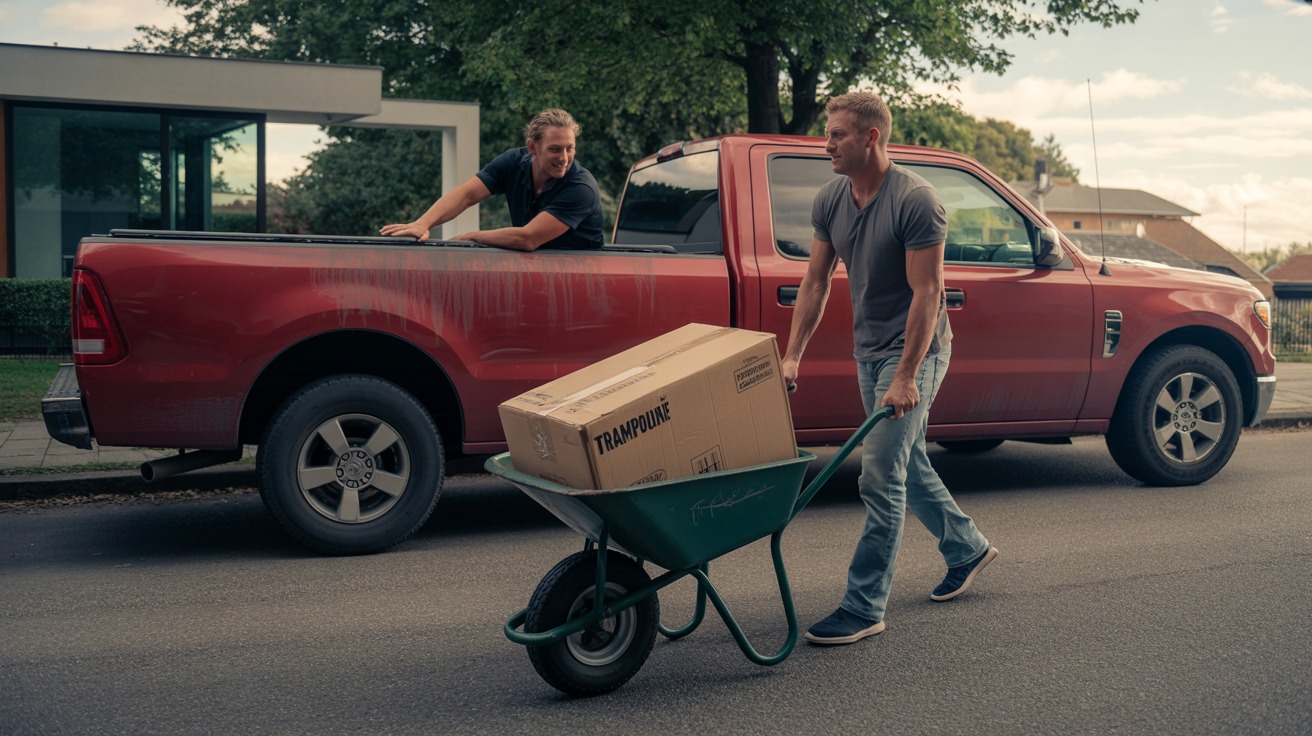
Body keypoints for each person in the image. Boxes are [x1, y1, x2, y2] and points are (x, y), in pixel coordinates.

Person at [782, 91, 998, 646]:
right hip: (869, 350)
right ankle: (966, 546)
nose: (825, 144)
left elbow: (929, 293)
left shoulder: (916, 201)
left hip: (916, 353)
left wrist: (906, 376)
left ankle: (864, 605)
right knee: (905, 460)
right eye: (827, 133)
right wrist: (792, 353)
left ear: (871, 137)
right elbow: (815, 281)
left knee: (880, 474)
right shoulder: (831, 199)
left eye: (837, 135)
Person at [380, 108, 604, 251]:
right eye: (555, 149)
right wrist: (422, 223)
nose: (564, 158)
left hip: (582, 278)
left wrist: (470, 237)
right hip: (536, 271)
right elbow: (467, 195)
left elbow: (528, 239)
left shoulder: (581, 188)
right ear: (532, 147)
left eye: (570, 148)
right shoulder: (512, 162)